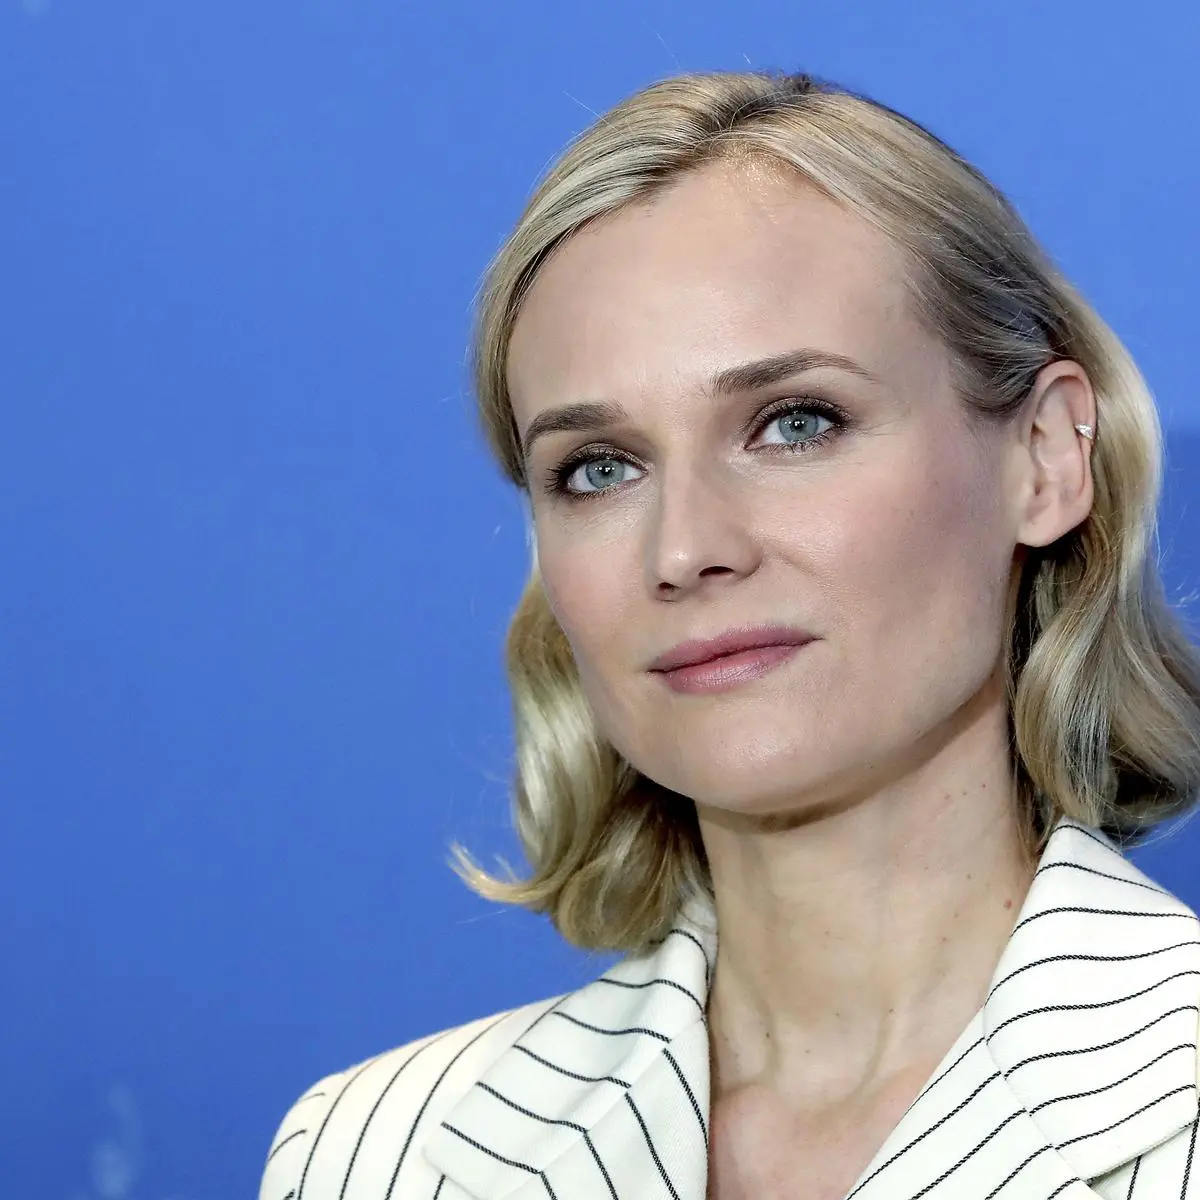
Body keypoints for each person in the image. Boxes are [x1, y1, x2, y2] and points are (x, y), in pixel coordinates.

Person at [257, 69, 1200, 1200]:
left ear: (1044, 458)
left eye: (795, 423)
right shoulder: (373, 1155)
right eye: (598, 469)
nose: (684, 548)